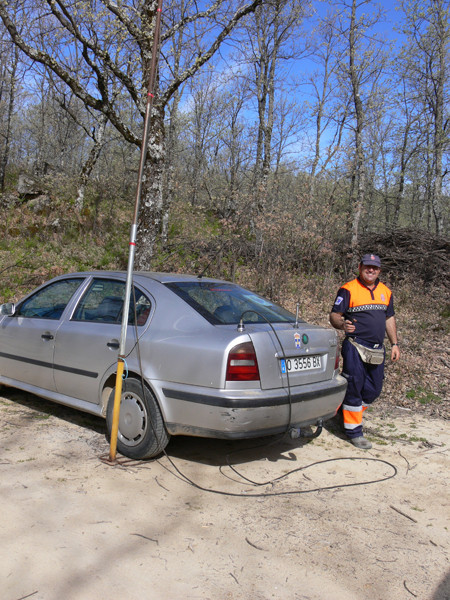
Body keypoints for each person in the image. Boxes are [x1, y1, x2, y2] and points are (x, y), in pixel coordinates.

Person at [329, 254, 400, 449]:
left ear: (379, 270)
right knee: (354, 384)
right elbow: (334, 315)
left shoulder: (386, 291)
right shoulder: (348, 289)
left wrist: (394, 343)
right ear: (360, 267)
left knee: (373, 389)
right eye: (367, 266)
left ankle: (344, 414)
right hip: (355, 345)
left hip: (377, 348)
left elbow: (389, 318)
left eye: (375, 268)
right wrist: (342, 324)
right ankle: (354, 431)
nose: (371, 270)